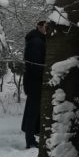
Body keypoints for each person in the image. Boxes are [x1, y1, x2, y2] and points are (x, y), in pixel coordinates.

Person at [21, 20, 47, 149]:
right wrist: (44, 75)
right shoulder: (36, 41)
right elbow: (35, 64)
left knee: (33, 109)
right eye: (46, 26)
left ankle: (32, 135)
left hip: (34, 80)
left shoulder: (39, 39)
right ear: (39, 27)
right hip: (35, 81)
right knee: (32, 110)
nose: (47, 29)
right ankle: (30, 140)